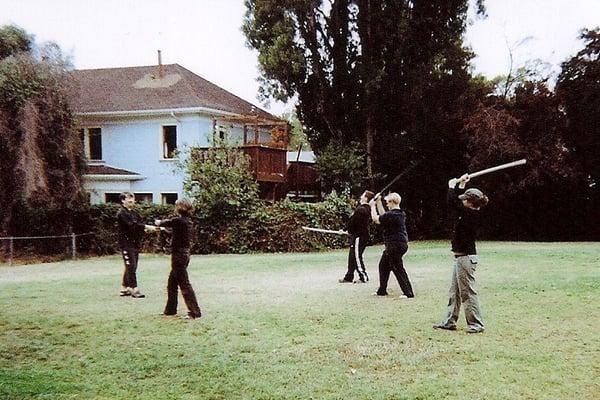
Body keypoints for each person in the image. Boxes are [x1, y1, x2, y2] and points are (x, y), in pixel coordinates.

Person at [434, 174, 489, 334]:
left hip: (465, 258)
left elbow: (452, 203)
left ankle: (476, 324)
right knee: (455, 292)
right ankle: (450, 321)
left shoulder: (470, 214)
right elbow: (457, 204)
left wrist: (452, 186)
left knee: (467, 293)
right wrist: (462, 184)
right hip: (460, 258)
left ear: (470, 203)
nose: (463, 200)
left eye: (465, 199)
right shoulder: (469, 211)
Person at [155, 198, 202, 320]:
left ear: (180, 207)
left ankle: (194, 312)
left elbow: (167, 222)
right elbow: (174, 232)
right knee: (172, 284)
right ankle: (170, 310)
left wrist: (158, 223)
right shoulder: (186, 222)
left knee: (184, 284)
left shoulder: (178, 221)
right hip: (183, 255)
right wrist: (163, 229)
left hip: (178, 256)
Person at [369, 192, 414, 298]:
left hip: (394, 245)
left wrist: (372, 206)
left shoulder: (392, 215)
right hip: (399, 244)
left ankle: (408, 293)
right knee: (383, 265)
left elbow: (376, 219)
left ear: (392, 202)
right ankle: (382, 290)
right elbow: (384, 216)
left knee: (398, 268)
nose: (387, 205)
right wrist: (379, 202)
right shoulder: (399, 213)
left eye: (388, 203)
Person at [117, 192, 157, 298]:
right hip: (126, 244)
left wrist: (146, 230)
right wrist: (147, 226)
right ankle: (134, 289)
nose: (131, 201)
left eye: (132, 199)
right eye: (128, 199)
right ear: (123, 201)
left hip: (135, 243)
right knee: (131, 266)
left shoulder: (135, 213)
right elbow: (132, 226)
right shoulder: (121, 214)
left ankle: (125, 288)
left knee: (131, 265)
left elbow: (139, 225)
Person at [339, 190, 375, 284]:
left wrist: (346, 230)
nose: (361, 196)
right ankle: (349, 276)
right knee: (352, 256)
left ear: (366, 198)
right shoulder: (364, 209)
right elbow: (353, 222)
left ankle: (363, 276)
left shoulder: (361, 209)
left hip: (359, 236)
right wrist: (346, 230)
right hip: (358, 235)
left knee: (356, 256)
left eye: (363, 195)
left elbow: (353, 222)